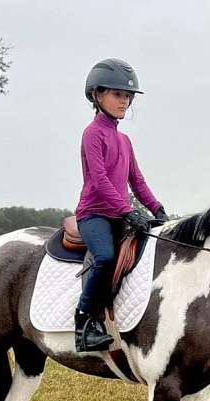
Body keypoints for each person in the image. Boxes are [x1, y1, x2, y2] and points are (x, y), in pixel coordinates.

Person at [74, 58, 168, 352]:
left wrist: (158, 210)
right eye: (117, 94)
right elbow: (100, 181)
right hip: (94, 214)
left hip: (121, 215)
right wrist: (128, 211)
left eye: (127, 96)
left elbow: (136, 181)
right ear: (96, 95)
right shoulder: (93, 134)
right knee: (103, 256)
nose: (124, 101)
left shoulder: (124, 140)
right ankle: (84, 321)